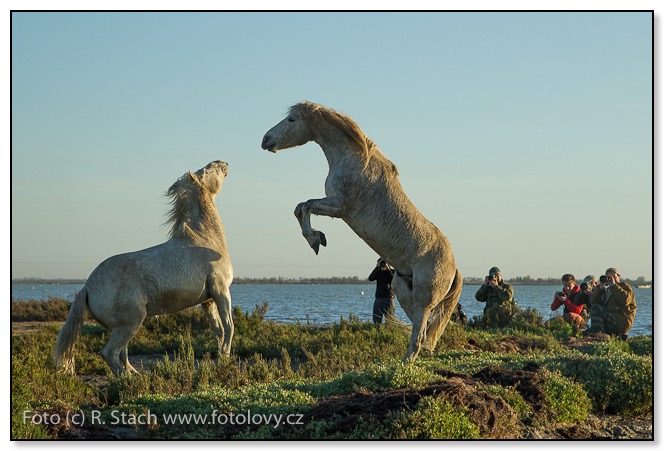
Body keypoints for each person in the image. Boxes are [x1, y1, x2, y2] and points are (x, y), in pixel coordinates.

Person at [584, 267, 637, 338]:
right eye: (608, 277)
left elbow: (625, 300)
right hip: (610, 319)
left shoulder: (625, 287)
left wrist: (613, 285)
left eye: (614, 277)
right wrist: (600, 289)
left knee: (597, 308)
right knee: (595, 307)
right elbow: (593, 302)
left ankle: (598, 331)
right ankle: (598, 331)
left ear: (619, 277)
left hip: (622, 320)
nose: (612, 279)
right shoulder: (607, 290)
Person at [368, 258, 395, 324]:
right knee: (376, 320)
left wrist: (388, 269)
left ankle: (389, 332)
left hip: (388, 298)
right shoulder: (378, 272)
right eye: (381, 263)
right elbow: (370, 278)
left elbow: (393, 280)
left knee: (390, 320)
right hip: (378, 299)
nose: (383, 264)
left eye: (384, 263)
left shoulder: (392, 272)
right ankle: (377, 331)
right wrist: (377, 267)